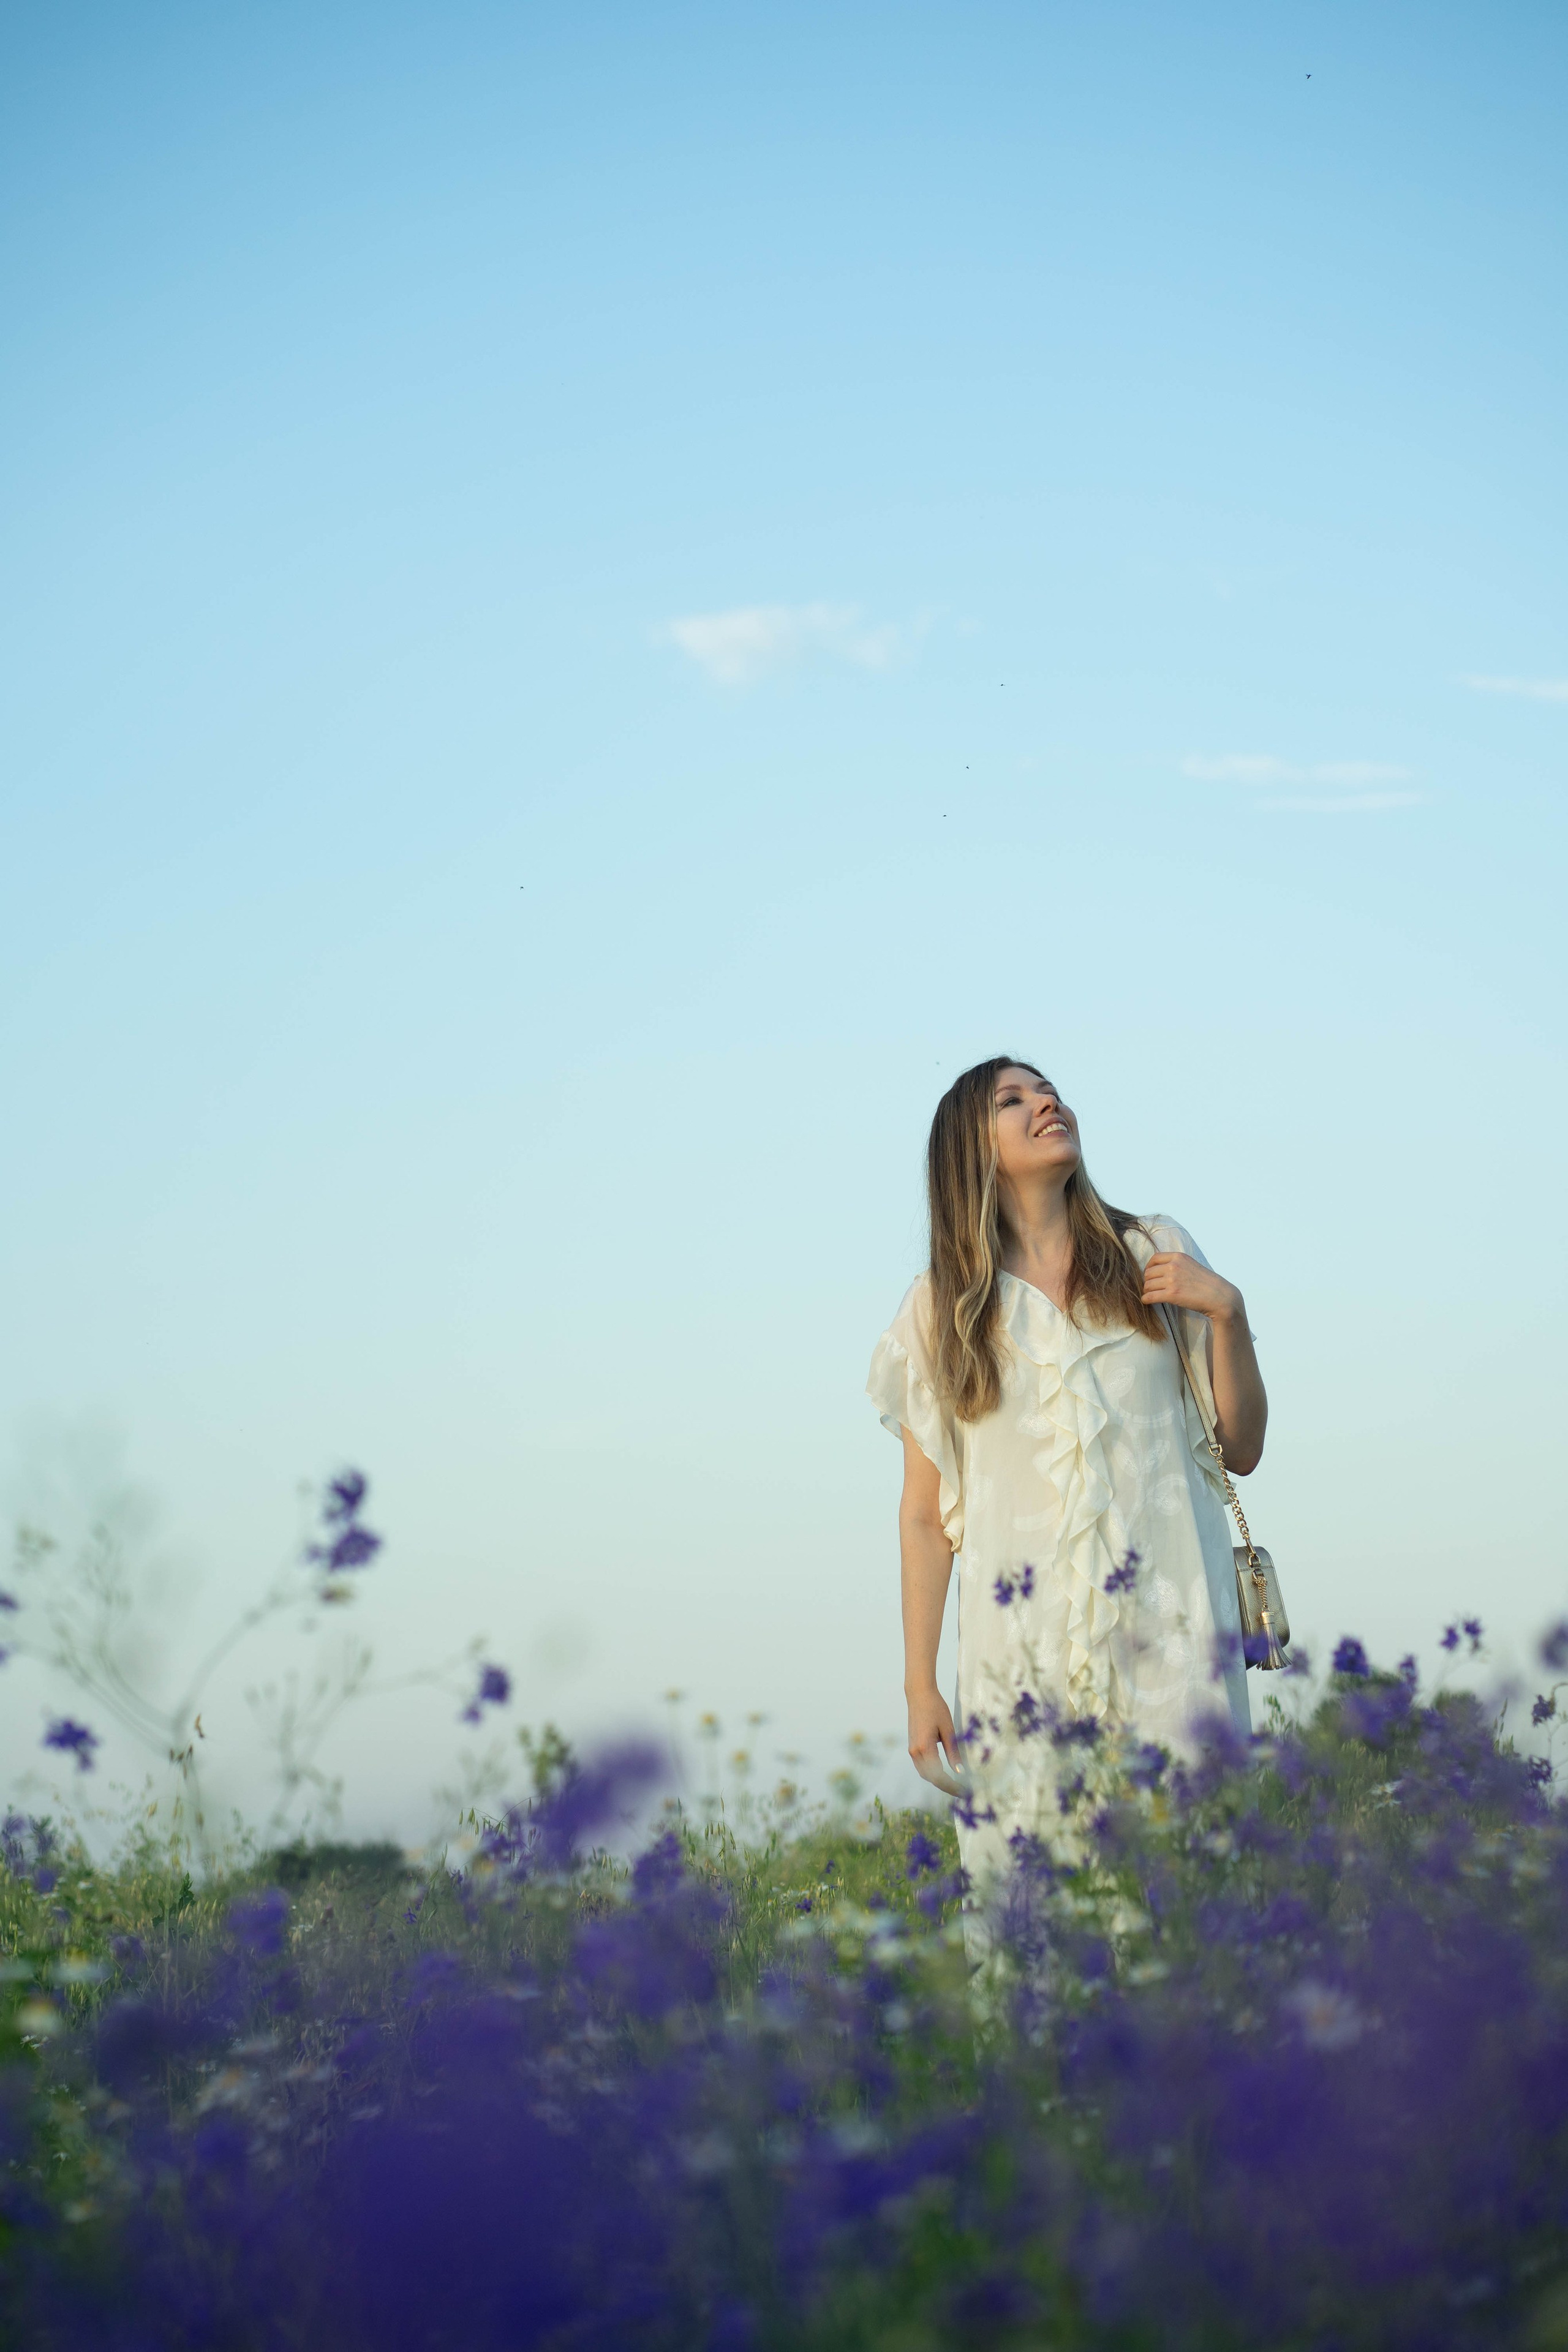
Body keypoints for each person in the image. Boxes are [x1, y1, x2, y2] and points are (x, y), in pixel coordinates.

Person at [866, 1057, 1268, 1918]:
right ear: (969, 1153)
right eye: (1013, 1100)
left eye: (1046, 1089)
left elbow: (1243, 1448)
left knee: (1190, 1919)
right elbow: (925, 1522)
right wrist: (920, 1685)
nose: (1046, 1101)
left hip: (1173, 1650)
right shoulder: (940, 1312)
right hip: (1023, 1667)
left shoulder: (1154, 1253)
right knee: (1037, 1935)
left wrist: (1226, 1312)